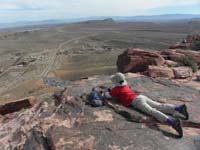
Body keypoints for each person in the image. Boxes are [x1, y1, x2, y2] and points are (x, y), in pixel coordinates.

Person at [104, 72, 189, 138]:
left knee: (152, 111)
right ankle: (178, 108)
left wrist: (106, 92)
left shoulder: (116, 89)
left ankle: (172, 122)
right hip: (141, 97)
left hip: (137, 102)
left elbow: (108, 96)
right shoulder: (125, 86)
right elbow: (122, 92)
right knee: (159, 106)